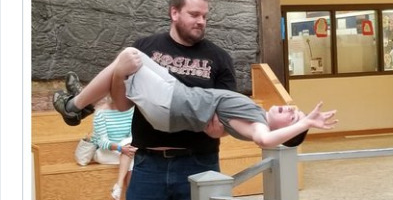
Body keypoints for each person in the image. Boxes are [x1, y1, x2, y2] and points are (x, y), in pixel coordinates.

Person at [91, 0, 237, 200]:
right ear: (174, 12)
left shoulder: (219, 59)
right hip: (148, 167)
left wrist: (221, 129)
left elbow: (226, 120)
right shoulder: (145, 49)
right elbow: (122, 106)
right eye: (194, 14)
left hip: (200, 165)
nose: (201, 21)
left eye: (205, 16)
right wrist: (119, 74)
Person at [54, 48, 337, 148]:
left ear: (284, 130)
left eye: (292, 117)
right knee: (128, 61)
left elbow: (264, 141)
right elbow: (217, 129)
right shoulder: (253, 116)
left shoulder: (257, 124)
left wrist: (305, 124)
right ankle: (85, 104)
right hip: (176, 96)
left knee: (129, 56)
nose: (290, 110)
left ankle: (75, 107)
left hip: (173, 102)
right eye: (295, 112)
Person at [90, 99, 136, 200]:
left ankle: (118, 187)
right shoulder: (100, 113)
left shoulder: (131, 110)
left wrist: (125, 148)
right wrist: (120, 148)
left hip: (126, 150)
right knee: (131, 157)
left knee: (129, 149)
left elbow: (132, 135)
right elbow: (102, 142)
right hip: (105, 152)